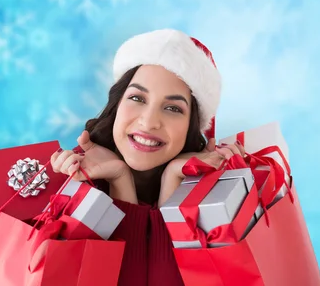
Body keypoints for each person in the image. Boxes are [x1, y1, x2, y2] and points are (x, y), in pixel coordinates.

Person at [49, 29, 245, 286]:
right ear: (117, 104)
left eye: (173, 108)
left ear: (191, 126)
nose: (149, 121)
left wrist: (172, 186)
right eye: (137, 98)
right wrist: (120, 180)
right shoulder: (72, 185)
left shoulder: (214, 203)